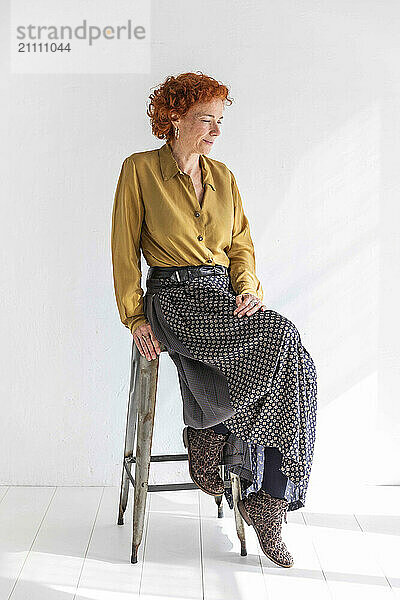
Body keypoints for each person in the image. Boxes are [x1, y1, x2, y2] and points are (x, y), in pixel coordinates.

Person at [111, 71, 318, 568]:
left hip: (223, 296)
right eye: (207, 120)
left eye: (220, 121)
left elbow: (241, 245)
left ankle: (265, 495)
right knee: (284, 341)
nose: (216, 132)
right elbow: (123, 249)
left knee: (300, 366)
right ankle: (214, 439)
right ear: (174, 118)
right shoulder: (139, 170)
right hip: (176, 300)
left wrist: (247, 288)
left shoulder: (223, 177)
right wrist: (135, 317)